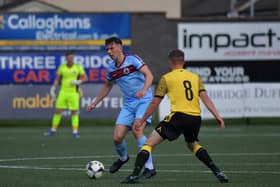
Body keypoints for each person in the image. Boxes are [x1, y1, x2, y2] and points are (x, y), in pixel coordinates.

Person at [121, 49, 229, 184]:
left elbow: (155, 102)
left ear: (170, 62)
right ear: (183, 62)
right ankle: (217, 171)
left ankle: (134, 176)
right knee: (193, 145)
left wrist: (142, 120)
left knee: (148, 144)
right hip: (195, 118)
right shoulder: (195, 77)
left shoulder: (166, 78)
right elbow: (205, 98)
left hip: (178, 117)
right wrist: (217, 116)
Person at [86, 37, 156, 178]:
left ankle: (149, 168)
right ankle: (123, 158)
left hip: (144, 100)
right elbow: (107, 85)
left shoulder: (133, 59)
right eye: (107, 50)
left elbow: (149, 75)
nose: (109, 52)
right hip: (129, 104)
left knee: (137, 130)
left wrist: (144, 90)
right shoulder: (111, 68)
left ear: (120, 47)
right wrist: (95, 103)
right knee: (117, 138)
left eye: (112, 48)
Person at [45, 51, 87, 138]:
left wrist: (78, 81)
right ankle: (53, 130)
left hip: (74, 93)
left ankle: (75, 132)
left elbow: (85, 78)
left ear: (73, 58)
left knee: (74, 112)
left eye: (72, 57)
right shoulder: (62, 67)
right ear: (66, 58)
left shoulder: (78, 67)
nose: (70, 59)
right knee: (58, 111)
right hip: (63, 92)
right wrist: (53, 88)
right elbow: (57, 79)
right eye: (69, 57)